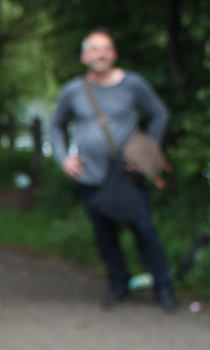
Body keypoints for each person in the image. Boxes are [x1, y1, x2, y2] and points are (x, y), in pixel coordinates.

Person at [48, 29, 176, 311]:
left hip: (126, 175)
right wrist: (63, 159)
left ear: (114, 54)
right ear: (84, 56)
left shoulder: (133, 84)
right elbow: (55, 125)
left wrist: (147, 153)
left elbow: (159, 113)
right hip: (90, 177)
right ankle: (119, 285)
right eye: (94, 49)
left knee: (144, 231)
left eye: (105, 48)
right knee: (105, 236)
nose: (101, 54)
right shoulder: (73, 90)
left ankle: (163, 286)